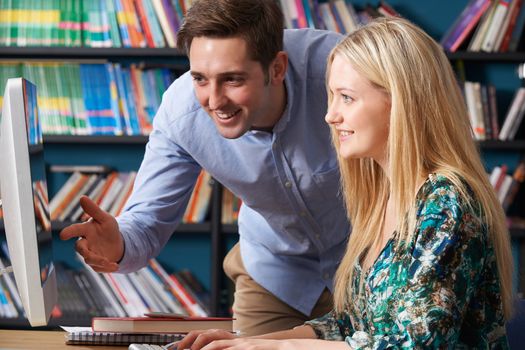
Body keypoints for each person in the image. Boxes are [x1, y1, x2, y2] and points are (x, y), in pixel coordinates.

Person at [175, 16, 514, 349]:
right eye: (331, 96)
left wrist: (276, 349)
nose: (330, 115)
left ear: (401, 102)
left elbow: (410, 345)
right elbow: (349, 324)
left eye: (347, 98)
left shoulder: (446, 201)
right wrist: (248, 342)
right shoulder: (383, 195)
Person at [59, 0, 350, 336]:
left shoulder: (342, 74)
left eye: (232, 80)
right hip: (278, 271)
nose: (214, 100)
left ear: (277, 68)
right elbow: (146, 223)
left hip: (373, 264)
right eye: (200, 78)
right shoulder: (181, 115)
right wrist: (118, 244)